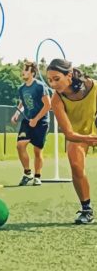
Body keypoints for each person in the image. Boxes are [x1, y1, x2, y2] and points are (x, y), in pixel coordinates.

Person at [47, 58, 97, 224]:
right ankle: (86, 209)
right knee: (75, 165)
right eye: (49, 80)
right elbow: (68, 133)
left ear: (69, 75)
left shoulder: (94, 87)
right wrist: (87, 139)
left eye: (56, 79)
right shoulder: (57, 99)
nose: (53, 84)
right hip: (78, 135)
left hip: (93, 129)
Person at [11, 61, 51, 186]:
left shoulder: (39, 86)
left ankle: (37, 176)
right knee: (20, 145)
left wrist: (36, 119)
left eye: (26, 70)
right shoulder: (21, 88)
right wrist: (17, 114)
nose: (23, 72)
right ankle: (27, 173)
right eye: (23, 69)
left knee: (37, 151)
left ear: (32, 73)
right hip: (27, 120)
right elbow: (22, 103)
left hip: (41, 122)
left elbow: (48, 105)